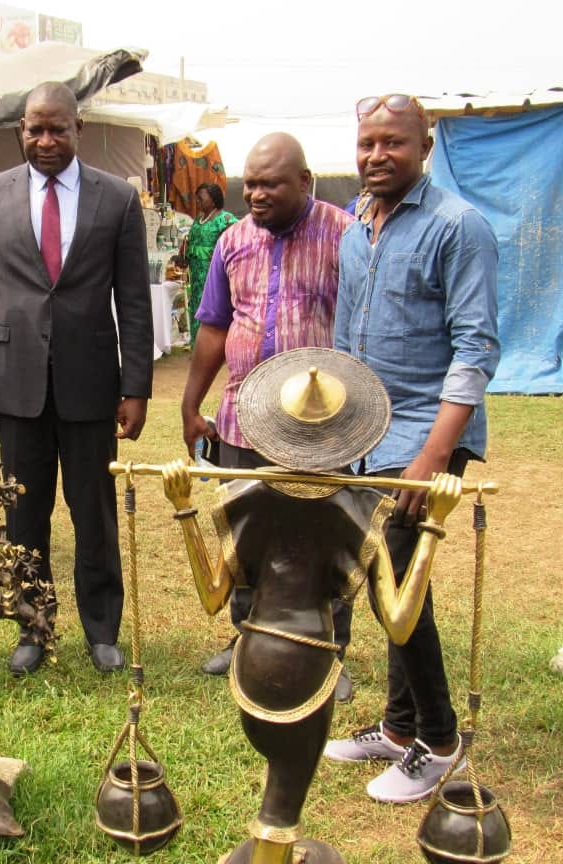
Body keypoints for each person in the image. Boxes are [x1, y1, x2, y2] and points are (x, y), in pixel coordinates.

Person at [162, 348, 463, 864]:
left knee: (278, 782)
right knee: (282, 805)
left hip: (252, 665)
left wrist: (185, 509)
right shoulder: (360, 507)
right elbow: (398, 621)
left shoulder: (246, 496)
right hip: (309, 670)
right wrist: (434, 525)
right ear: (347, 430)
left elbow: (214, 599)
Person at [325, 93, 500, 803]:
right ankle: (397, 729)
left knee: (400, 582)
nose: (375, 156)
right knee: (380, 581)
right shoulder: (353, 226)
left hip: (426, 435)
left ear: (424, 146)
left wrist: (429, 460)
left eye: (392, 143)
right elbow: (343, 342)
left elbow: (476, 348)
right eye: (366, 142)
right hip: (364, 433)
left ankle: (439, 738)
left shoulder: (460, 228)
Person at [0, 81, 153, 676]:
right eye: (33, 129)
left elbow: (135, 301)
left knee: (93, 511)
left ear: (78, 129)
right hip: (14, 384)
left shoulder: (117, 199)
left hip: (91, 382)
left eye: (57, 129)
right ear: (21, 129)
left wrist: (137, 387)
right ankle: (32, 626)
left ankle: (102, 629)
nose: (44, 140)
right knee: (24, 513)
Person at [180, 133, 355, 694]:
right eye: (250, 183)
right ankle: (247, 639)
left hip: (320, 424)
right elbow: (213, 326)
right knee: (246, 534)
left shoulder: (345, 236)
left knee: (322, 535)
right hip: (240, 417)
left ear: (305, 181)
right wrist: (191, 403)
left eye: (270, 183)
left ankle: (329, 652)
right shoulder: (233, 241)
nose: (256, 194)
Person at [179, 182, 236, 340]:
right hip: (196, 273)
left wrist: (219, 253)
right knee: (197, 303)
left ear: (213, 199)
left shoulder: (224, 218)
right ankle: (197, 341)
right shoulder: (198, 220)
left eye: (201, 198)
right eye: (196, 199)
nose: (197, 202)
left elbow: (234, 240)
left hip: (213, 272)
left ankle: (213, 342)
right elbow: (191, 239)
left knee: (213, 303)